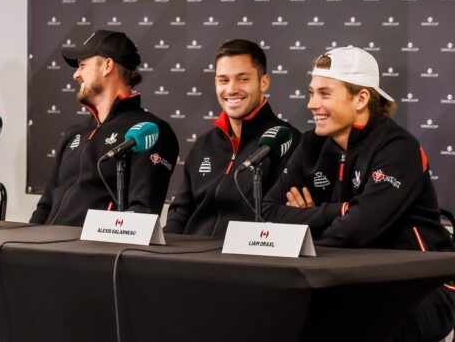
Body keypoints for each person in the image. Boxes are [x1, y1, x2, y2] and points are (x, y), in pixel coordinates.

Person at [262, 47, 455, 341]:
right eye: (312, 92)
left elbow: (355, 231)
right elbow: (267, 211)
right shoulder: (311, 145)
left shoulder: (397, 148)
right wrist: (335, 212)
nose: (312, 104)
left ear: (361, 98)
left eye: (325, 94)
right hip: (349, 279)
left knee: (354, 327)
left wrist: (304, 222)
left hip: (423, 285)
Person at [30, 30, 179, 226]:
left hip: (97, 253)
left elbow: (142, 214)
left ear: (107, 66)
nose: (76, 75)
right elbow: (45, 206)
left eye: (83, 65)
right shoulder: (74, 133)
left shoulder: (149, 131)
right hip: (47, 250)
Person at [164, 39, 301, 236]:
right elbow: (180, 212)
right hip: (191, 260)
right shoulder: (203, 144)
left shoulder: (288, 142)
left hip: (247, 260)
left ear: (264, 83)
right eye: (223, 80)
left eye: (243, 79)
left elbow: (280, 218)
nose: (231, 89)